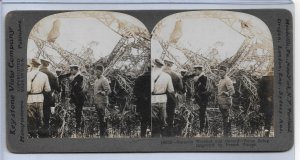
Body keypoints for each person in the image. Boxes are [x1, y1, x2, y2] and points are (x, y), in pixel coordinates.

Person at [27, 58, 51, 138]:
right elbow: (48, 89)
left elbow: (27, 89)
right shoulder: (44, 75)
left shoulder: (28, 75)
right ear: (39, 65)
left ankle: (33, 136)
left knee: (31, 119)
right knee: (40, 118)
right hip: (40, 99)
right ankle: (41, 136)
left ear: (32, 64)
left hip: (30, 99)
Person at [151, 59, 174, 137]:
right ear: (162, 66)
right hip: (163, 99)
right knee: (163, 119)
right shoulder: (167, 76)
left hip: (153, 99)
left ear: (154, 65)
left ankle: (155, 136)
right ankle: (163, 136)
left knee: (154, 120)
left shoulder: (151, 75)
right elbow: (171, 90)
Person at [162, 58, 183, 136]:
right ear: (171, 65)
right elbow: (181, 89)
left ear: (165, 64)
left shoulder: (158, 74)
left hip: (160, 99)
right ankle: (169, 134)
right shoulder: (176, 76)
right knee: (170, 117)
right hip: (171, 99)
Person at [39, 58, 60, 137]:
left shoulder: (36, 73)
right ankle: (45, 136)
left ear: (41, 63)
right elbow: (58, 88)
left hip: (37, 98)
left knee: (38, 118)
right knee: (46, 119)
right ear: (48, 64)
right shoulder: (53, 75)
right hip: (48, 99)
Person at [216, 65, 235, 137]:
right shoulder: (221, 80)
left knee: (226, 118)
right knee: (225, 117)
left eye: (221, 71)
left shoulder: (228, 80)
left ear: (225, 72)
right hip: (221, 102)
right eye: (219, 71)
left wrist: (226, 93)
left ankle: (226, 134)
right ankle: (227, 133)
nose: (220, 73)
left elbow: (232, 91)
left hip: (226, 103)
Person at [93, 65, 111, 137]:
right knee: (100, 118)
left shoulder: (104, 80)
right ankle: (103, 133)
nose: (96, 72)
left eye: (97, 71)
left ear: (101, 71)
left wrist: (102, 92)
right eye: (95, 71)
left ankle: (102, 135)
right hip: (97, 102)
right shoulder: (96, 80)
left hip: (102, 103)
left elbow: (109, 91)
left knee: (102, 118)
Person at [134, 66, 151, 137]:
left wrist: (143, 97)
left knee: (143, 120)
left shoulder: (140, 78)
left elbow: (135, 91)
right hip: (153, 102)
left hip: (142, 103)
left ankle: (143, 136)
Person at [193, 65, 209, 134]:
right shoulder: (199, 78)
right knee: (202, 113)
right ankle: (205, 128)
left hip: (202, 99)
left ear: (200, 70)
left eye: (196, 70)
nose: (195, 72)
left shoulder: (203, 78)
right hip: (200, 99)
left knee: (202, 114)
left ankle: (202, 129)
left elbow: (205, 90)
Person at [258, 69, 274, 137]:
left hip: (267, 102)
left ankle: (266, 133)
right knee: (268, 118)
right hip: (270, 102)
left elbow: (259, 91)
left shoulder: (263, 78)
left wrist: (266, 97)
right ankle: (266, 133)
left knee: (268, 119)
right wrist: (268, 97)